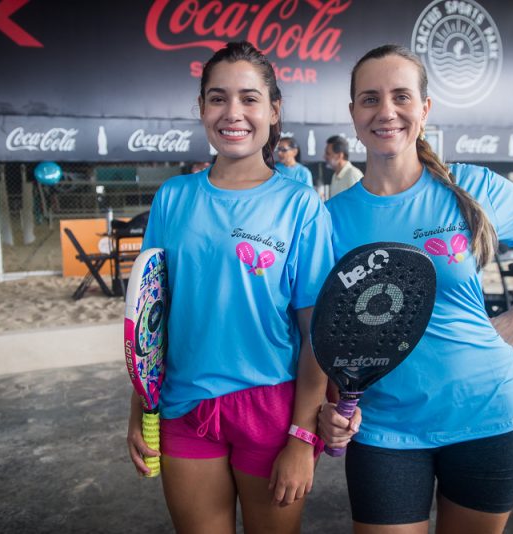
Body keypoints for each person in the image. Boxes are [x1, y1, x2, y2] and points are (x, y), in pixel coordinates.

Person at [318, 44, 513, 534]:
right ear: (353, 114)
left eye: (401, 97)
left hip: (491, 416)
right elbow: (326, 329)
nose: (386, 111)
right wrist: (330, 403)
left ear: (425, 108)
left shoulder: (471, 187)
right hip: (383, 429)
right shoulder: (328, 220)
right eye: (369, 99)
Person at [126, 41, 334, 534]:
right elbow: (148, 318)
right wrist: (140, 405)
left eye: (249, 98)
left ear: (273, 109)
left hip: (273, 409)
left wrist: (303, 438)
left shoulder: (302, 207)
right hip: (183, 404)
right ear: (201, 109)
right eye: (217, 98)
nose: (232, 112)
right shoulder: (173, 199)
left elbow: (316, 337)